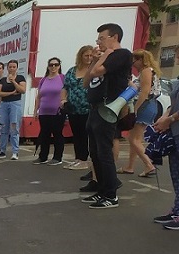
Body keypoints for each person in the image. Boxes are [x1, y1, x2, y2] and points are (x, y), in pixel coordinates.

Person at [82, 23, 133, 209]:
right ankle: (102, 191)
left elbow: (98, 72)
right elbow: (86, 82)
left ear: (114, 37)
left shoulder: (121, 54)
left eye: (102, 38)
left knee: (104, 153)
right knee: (94, 152)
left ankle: (111, 195)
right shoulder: (104, 57)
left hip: (108, 108)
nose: (98, 42)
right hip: (94, 107)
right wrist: (95, 60)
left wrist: (104, 55)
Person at [118, 49, 160, 177]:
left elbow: (144, 92)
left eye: (134, 61)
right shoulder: (148, 71)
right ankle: (130, 166)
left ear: (141, 60)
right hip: (148, 105)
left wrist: (135, 109)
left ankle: (149, 164)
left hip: (145, 106)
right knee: (135, 138)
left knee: (133, 139)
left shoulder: (146, 71)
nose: (133, 64)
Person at [151, 78, 179, 229]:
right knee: (176, 175)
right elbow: (174, 103)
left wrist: (169, 119)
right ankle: (176, 210)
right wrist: (165, 116)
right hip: (175, 131)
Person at [63, 46, 95, 170]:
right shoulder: (72, 71)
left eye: (91, 56)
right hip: (73, 107)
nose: (89, 58)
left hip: (87, 107)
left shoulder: (93, 70)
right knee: (76, 134)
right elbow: (65, 87)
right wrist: (63, 100)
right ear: (80, 56)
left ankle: (85, 159)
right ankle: (78, 158)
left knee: (85, 134)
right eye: (86, 55)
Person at [33, 57, 67, 165]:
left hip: (57, 112)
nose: (53, 67)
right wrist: (35, 111)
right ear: (48, 66)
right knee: (44, 134)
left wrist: (64, 102)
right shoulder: (43, 80)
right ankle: (43, 157)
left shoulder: (62, 78)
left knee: (57, 134)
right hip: (44, 112)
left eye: (56, 65)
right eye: (51, 65)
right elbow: (38, 96)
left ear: (59, 66)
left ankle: (57, 157)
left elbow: (67, 92)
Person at [0, 59, 26, 160]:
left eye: (14, 67)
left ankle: (15, 152)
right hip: (4, 104)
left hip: (15, 104)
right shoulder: (3, 80)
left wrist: (14, 82)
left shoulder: (20, 78)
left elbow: (22, 90)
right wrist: (11, 93)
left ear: (16, 68)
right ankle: (2, 151)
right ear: (7, 68)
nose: (11, 69)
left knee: (14, 127)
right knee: (3, 128)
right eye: (10, 67)